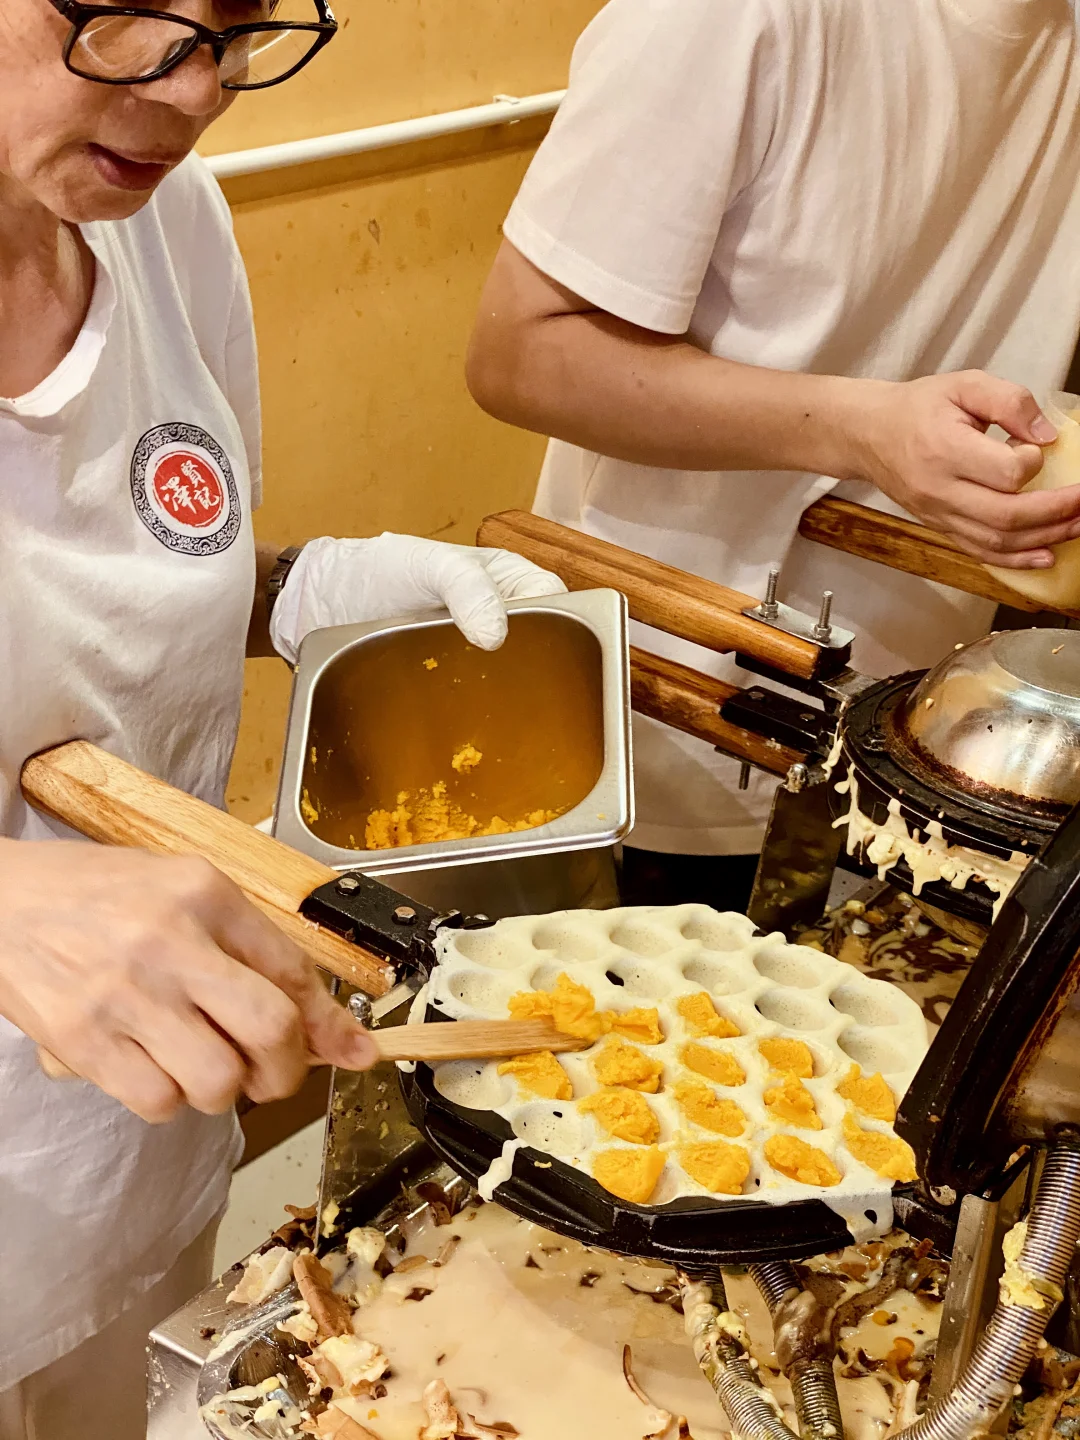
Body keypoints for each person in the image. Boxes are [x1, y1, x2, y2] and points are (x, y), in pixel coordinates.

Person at [0, 2, 563, 1433]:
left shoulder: (163, 220)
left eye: (243, 24)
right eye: (127, 9)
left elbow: (131, 579)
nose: (198, 88)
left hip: (139, 1127)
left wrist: (311, 589)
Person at [466, 0, 1080, 912]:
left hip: (930, 726)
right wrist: (863, 429)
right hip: (674, 700)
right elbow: (520, 353)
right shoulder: (732, 17)